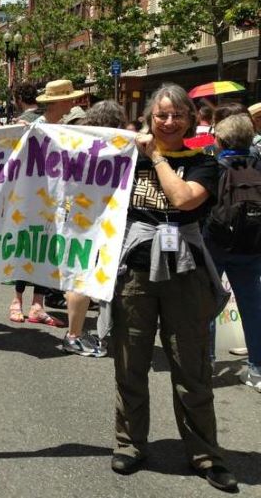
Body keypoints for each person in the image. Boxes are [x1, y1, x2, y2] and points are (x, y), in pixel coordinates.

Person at [110, 83, 237, 492]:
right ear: (149, 117)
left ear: (188, 119)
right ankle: (129, 444)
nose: (168, 122)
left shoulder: (204, 162)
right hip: (135, 276)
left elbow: (184, 200)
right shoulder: (126, 158)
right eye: (160, 114)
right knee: (130, 365)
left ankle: (205, 455)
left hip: (186, 278)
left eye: (176, 114)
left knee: (191, 369)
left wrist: (159, 158)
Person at [8, 79, 85, 327]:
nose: (73, 102)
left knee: (47, 249)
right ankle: (17, 301)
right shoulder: (33, 127)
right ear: (58, 101)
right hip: (31, 197)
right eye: (69, 98)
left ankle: (37, 305)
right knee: (27, 245)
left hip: (55, 198)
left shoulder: (64, 128)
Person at [62, 100, 127, 357]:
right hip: (99, 217)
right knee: (84, 277)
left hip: (78, 213)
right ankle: (73, 335)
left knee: (79, 272)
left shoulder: (79, 143)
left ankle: (75, 331)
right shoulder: (117, 146)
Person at [203, 114, 261, 392]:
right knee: (253, 306)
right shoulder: (259, 165)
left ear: (221, 140)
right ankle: (257, 369)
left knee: (208, 304)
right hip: (252, 246)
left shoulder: (214, 167)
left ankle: (206, 364)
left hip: (215, 245)